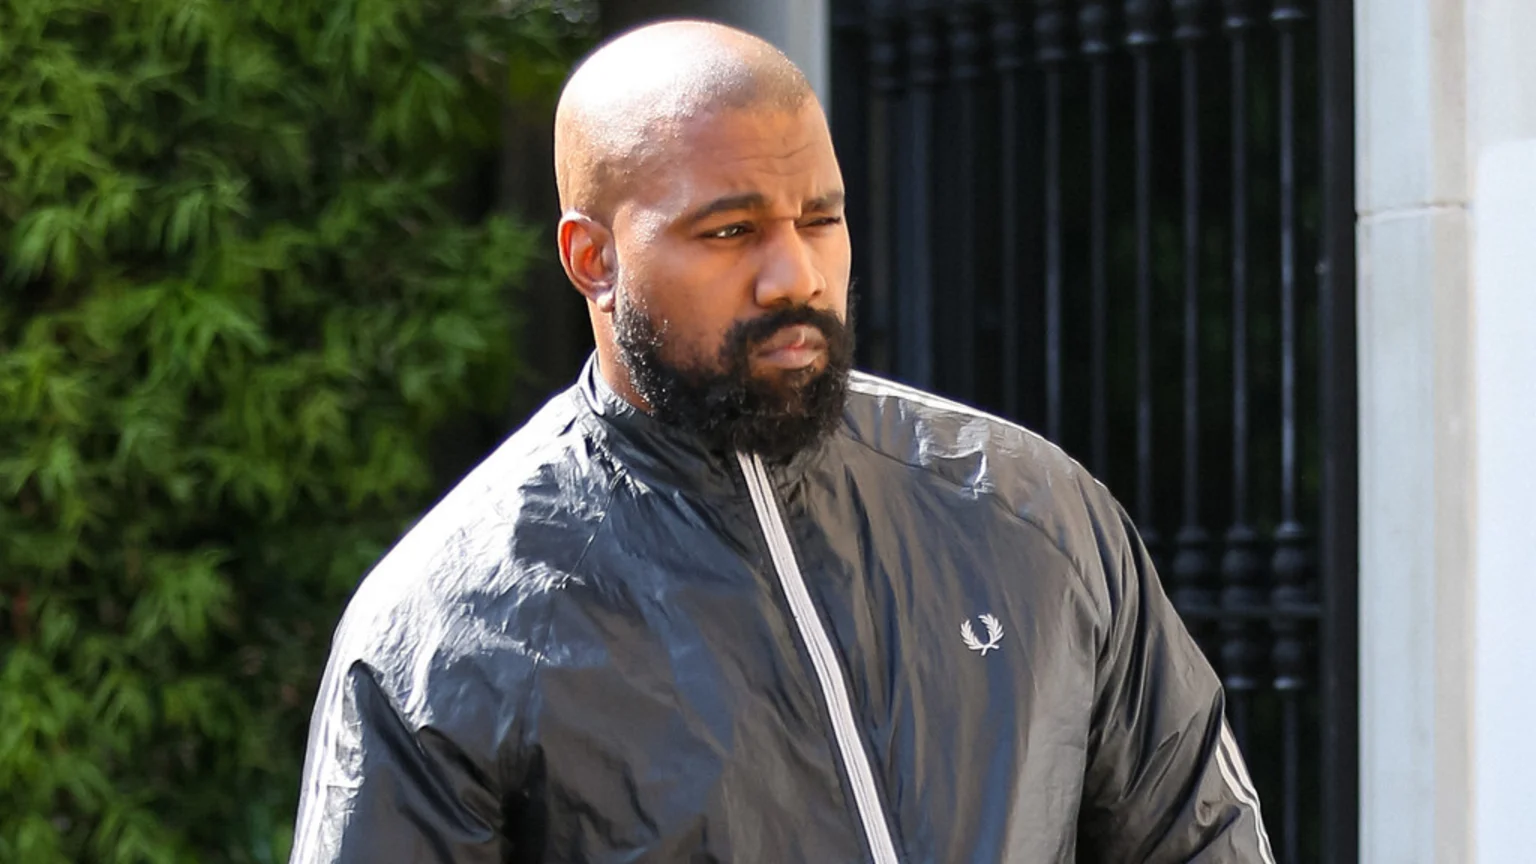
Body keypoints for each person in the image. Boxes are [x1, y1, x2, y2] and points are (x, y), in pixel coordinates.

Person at [290, 19, 1274, 864]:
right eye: (730, 232)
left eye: (820, 219)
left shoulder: (1028, 510)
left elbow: (1200, 838)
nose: (795, 275)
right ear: (594, 259)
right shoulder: (449, 626)